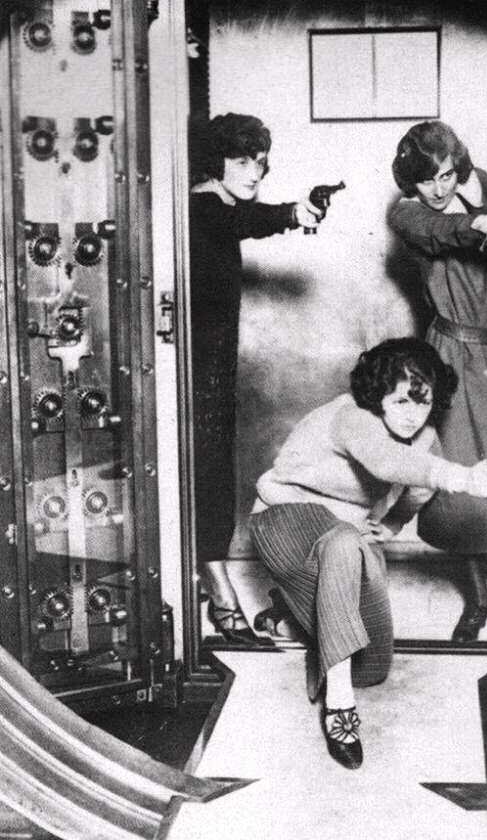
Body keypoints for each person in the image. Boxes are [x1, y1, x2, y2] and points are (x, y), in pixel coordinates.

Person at [247, 338, 487, 769]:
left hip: (346, 539)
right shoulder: (352, 415)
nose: (412, 414)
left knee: (372, 668)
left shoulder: (424, 437)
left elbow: (418, 487)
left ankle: (298, 607)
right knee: (344, 543)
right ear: (378, 394)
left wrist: (392, 524)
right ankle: (339, 708)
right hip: (286, 518)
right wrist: (462, 478)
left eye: (423, 402)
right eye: (401, 400)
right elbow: (386, 462)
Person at [388, 121, 487, 643]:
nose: (438, 188)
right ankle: (476, 598)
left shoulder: (480, 183)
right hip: (455, 357)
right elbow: (445, 230)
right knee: (461, 479)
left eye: (446, 175)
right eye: (426, 180)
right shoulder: (406, 214)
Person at [190, 112, 321, 644]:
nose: (254, 173)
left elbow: (239, 218)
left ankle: (212, 582)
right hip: (192, 371)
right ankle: (221, 596)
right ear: (214, 162)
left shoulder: (218, 207)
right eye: (242, 161)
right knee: (206, 476)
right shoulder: (202, 205)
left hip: (211, 367)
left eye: (260, 163)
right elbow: (236, 221)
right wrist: (291, 213)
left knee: (212, 475)